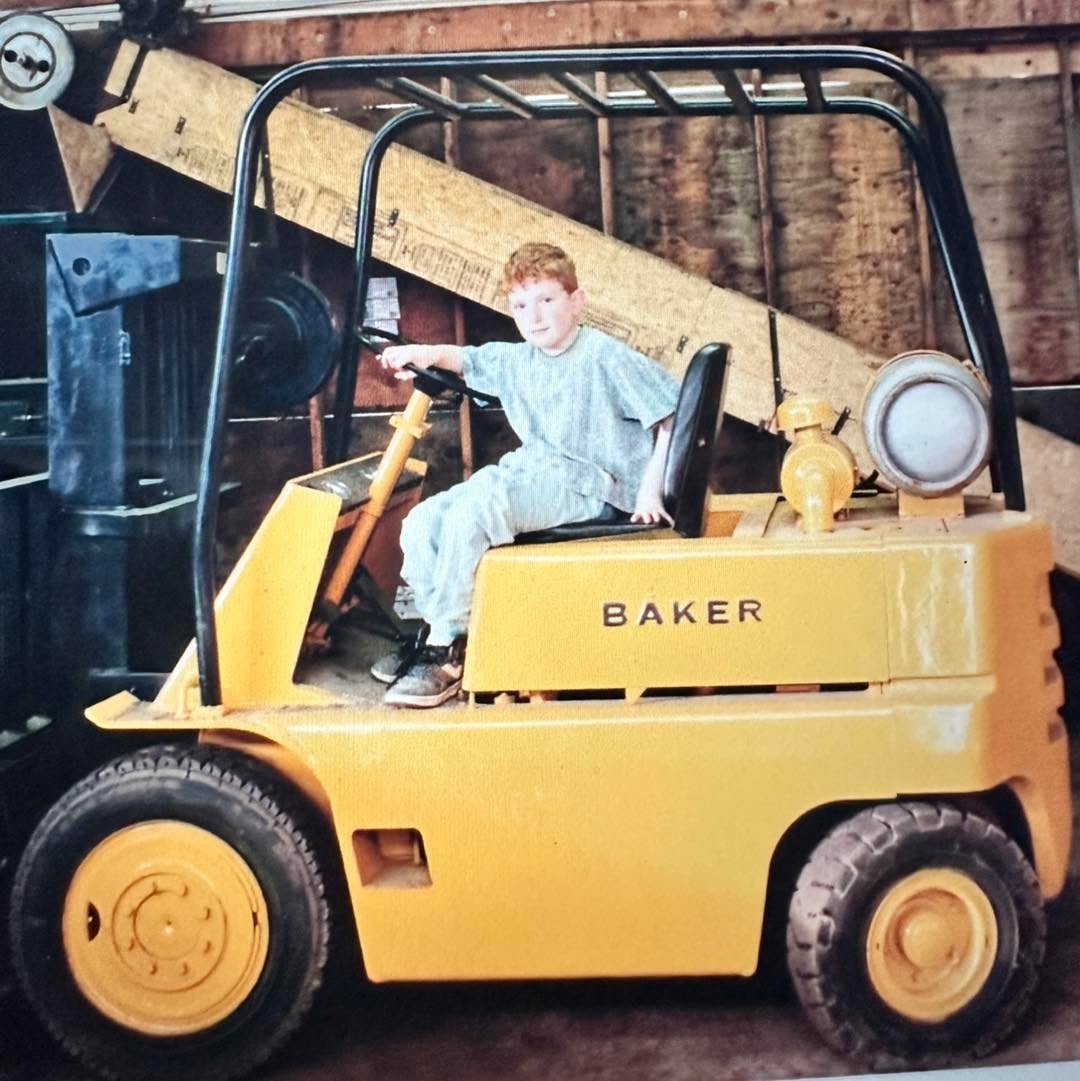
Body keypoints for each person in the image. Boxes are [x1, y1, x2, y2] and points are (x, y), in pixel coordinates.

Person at [374, 243, 680, 707]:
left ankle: (449, 648)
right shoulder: (520, 360)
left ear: (576, 301)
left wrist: (650, 492)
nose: (534, 317)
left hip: (591, 483)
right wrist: (419, 352)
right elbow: (465, 359)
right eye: (520, 306)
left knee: (474, 513)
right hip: (535, 472)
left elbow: (668, 416)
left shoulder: (603, 355)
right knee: (423, 521)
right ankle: (441, 630)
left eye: (546, 300)